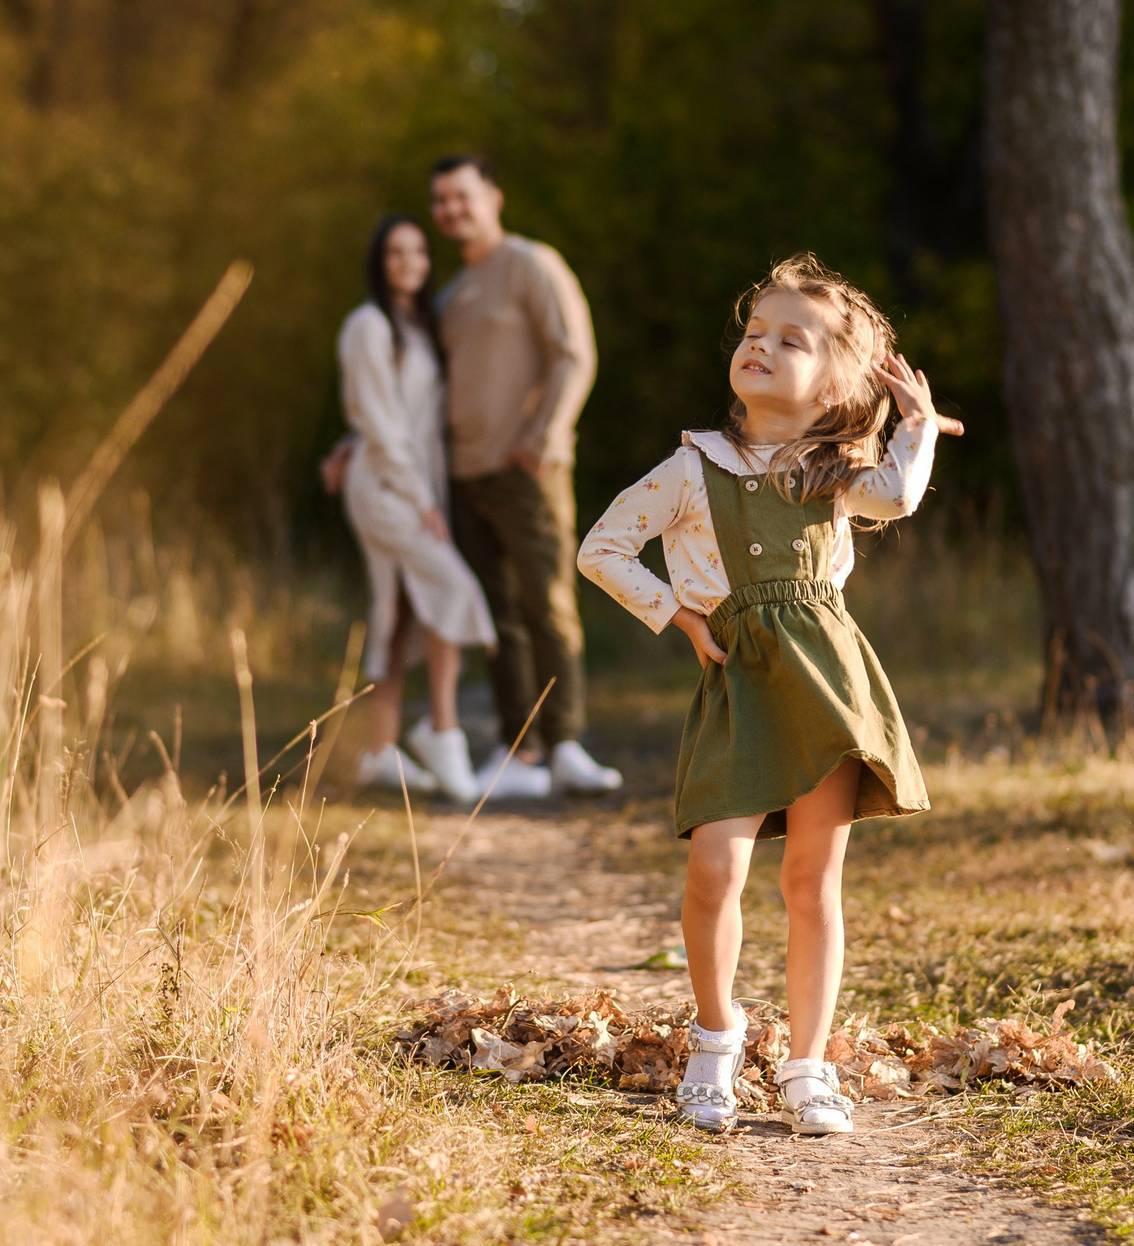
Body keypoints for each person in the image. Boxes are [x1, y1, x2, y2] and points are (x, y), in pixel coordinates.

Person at [577, 254, 946, 1135]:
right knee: (717, 867)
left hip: (825, 682)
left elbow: (897, 495)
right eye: (753, 333)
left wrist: (917, 420)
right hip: (739, 682)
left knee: (812, 877)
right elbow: (603, 546)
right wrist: (677, 614)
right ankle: (716, 1040)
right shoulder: (693, 467)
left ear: (833, 386)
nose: (762, 346)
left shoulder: (836, 469)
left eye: (791, 340)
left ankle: (809, 1065)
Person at [427, 154, 623, 798]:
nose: (452, 211)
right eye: (441, 202)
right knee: (495, 615)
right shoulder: (453, 294)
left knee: (547, 604)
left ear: (493, 196)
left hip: (527, 469)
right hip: (464, 475)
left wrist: (544, 438)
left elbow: (574, 353)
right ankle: (520, 752)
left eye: (462, 196)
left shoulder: (531, 264)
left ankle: (566, 743)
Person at [332, 215, 497, 803]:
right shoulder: (368, 325)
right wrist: (422, 500)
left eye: (418, 251)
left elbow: (402, 416)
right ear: (379, 261)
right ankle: (442, 731)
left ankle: (380, 750)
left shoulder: (417, 326)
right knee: (453, 587)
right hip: (387, 489)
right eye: (395, 252)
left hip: (405, 480)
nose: (408, 261)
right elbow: (378, 420)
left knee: (399, 609)